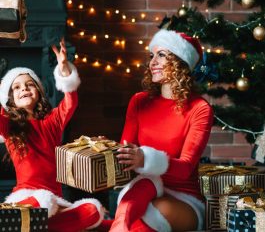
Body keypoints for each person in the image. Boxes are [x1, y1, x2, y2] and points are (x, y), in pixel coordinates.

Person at [110, 29, 214, 232]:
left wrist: (145, 160)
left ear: (180, 62)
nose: (152, 62)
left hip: (182, 196)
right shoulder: (139, 101)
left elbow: (184, 169)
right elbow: (126, 151)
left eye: (161, 55)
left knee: (147, 213)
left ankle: (118, 225)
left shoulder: (200, 109)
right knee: (142, 192)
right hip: (143, 189)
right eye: (151, 56)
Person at [0, 39, 104, 231]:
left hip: (55, 200)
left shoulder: (52, 122)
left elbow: (70, 102)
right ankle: (21, 220)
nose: (24, 88)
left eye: (30, 84)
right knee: (41, 201)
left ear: (38, 92)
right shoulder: (10, 128)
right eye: (17, 87)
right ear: (10, 99)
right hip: (28, 199)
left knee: (94, 210)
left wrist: (64, 70)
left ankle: (32, 227)